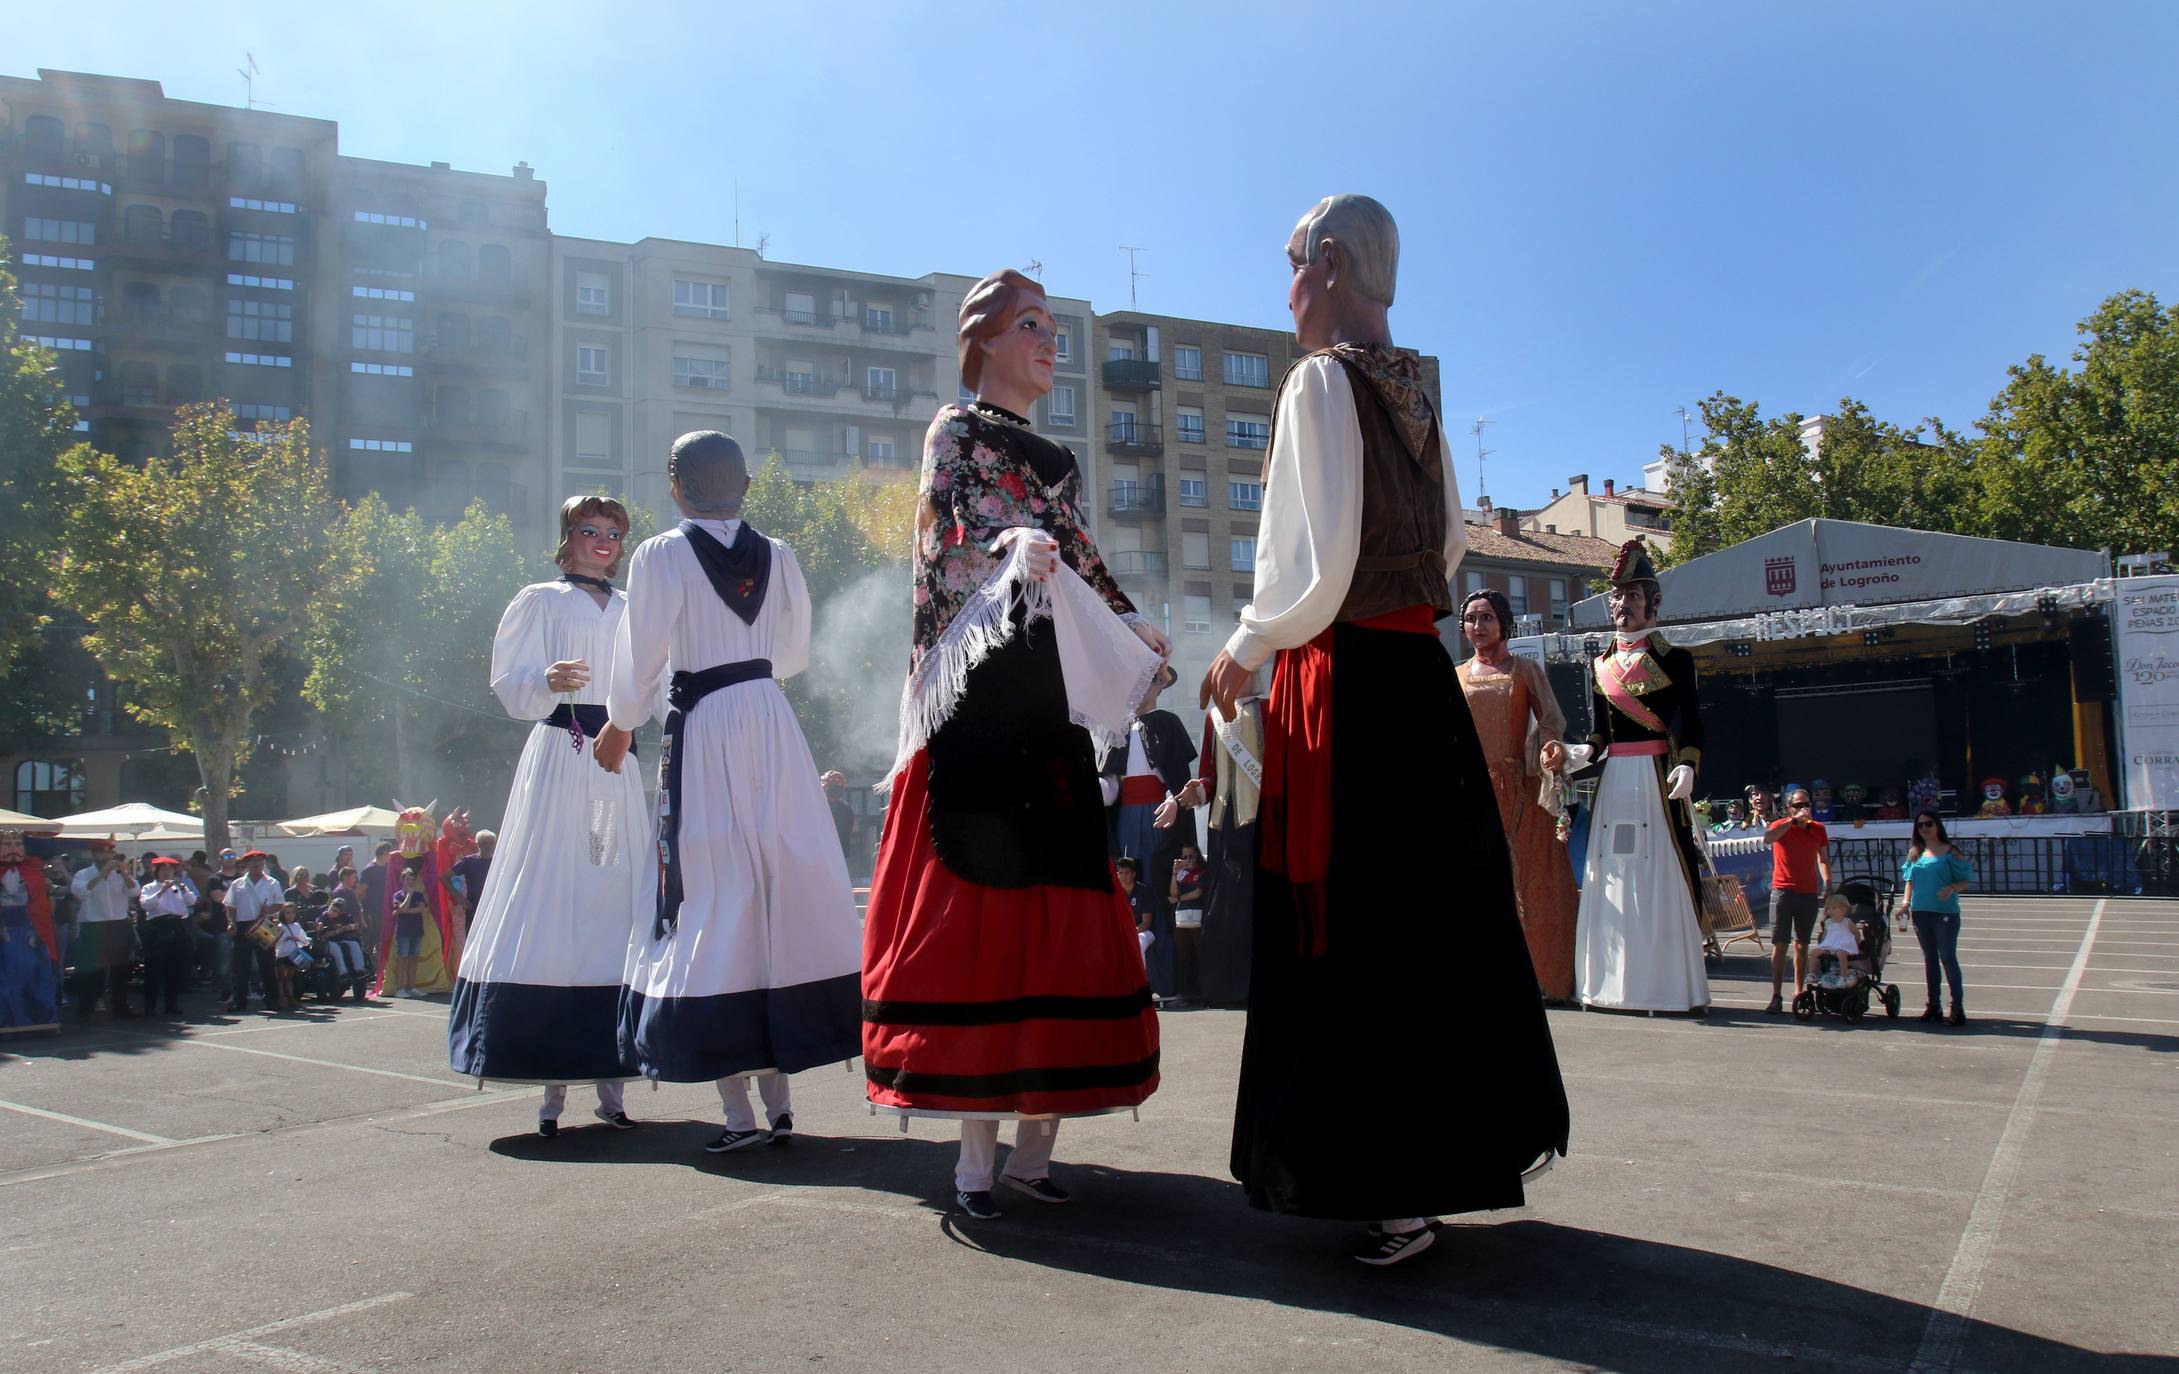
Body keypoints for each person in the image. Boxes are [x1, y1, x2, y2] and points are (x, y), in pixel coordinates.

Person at [1198, 196, 1567, 1265]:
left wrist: (1249, 642)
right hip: (1416, 679)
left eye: (1291, 269)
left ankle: (1380, 1181)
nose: (1284, 294)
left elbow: (1304, 565)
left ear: (1329, 262)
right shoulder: (1421, 391)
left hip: (1347, 681)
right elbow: (1449, 547)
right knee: (1432, 927)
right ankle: (1430, 1173)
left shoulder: (1319, 381)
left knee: (1347, 927)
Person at [862, 268, 1166, 1220]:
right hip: (983, 706)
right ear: (984, 340)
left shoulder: (1056, 458)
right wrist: (1003, 551)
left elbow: (1079, 557)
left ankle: (1035, 1153)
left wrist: (1134, 627)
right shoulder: (954, 432)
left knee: (1065, 896)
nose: (1049, 343)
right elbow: (945, 541)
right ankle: (972, 1162)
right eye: (1030, 326)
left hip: (1049, 703)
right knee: (981, 900)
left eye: (1051, 329)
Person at [594, 431, 864, 1152]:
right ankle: (778, 1103)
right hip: (769, 720)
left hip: (705, 727)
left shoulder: (660, 554)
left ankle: (741, 1114)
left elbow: (642, 653)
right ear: (744, 487)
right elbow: (795, 654)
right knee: (777, 885)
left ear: (674, 486)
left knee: (711, 890)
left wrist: (620, 724)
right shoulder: (781, 555)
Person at [451, 495, 649, 1139]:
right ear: (566, 538)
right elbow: (509, 684)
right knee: (553, 891)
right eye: (591, 530)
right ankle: (550, 1092)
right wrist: (546, 676)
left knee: (610, 891)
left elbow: (659, 683)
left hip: (614, 763)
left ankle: (614, 1084)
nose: (604, 541)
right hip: (562, 753)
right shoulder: (539, 598)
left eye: (614, 533)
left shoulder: (632, 608)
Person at [1565, 539, 1710, 1015]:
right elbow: (1600, 734)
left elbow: (1691, 720)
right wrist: (1581, 750)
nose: (1620, 605)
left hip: (1656, 776)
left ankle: (1664, 986)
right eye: (1616, 598)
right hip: (1616, 784)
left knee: (1659, 870)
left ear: (1652, 603)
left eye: (1630, 597)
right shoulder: (1600, 664)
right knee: (1611, 874)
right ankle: (1608, 986)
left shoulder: (1675, 659)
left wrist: (1687, 762)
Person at [1456, 587, 1580, 1004]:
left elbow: (1551, 719)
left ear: (1503, 623)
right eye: (1471, 618)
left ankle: (1541, 977)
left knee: (1530, 881)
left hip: (1518, 789)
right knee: (1475, 882)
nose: (1478, 625)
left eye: (1486, 617)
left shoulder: (1525, 670)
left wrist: (1551, 745)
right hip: (1471, 791)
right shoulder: (1456, 676)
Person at [1098, 665, 1203, 1001]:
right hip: (1128, 820)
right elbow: (1111, 788)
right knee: (1130, 891)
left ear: (1159, 685)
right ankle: (1129, 979)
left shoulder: (1168, 724)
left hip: (1159, 820)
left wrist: (1174, 800)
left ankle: (1167, 982)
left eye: (1144, 681)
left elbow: (1177, 779)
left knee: (1159, 891)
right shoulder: (1119, 728)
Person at [1193, 693, 1263, 1009]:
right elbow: (1209, 775)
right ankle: (1222, 987)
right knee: (1222, 907)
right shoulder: (1213, 718)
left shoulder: (1268, 711)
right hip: (1222, 825)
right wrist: (1197, 790)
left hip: (1257, 822)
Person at [1895, 811, 1974, 1025]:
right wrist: (1905, 904)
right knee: (1930, 959)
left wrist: (1951, 887)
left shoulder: (1950, 852)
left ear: (1937, 825)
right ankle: (1933, 1006)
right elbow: (1909, 881)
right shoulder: (1915, 853)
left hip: (1945, 913)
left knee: (1947, 958)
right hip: (1921, 913)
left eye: (1928, 824)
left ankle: (1957, 1008)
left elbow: (1966, 880)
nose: (1924, 829)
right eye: (1920, 826)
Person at [1764, 786, 1832, 1014]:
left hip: (1807, 892)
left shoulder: (1818, 829)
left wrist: (1829, 885)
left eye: (1806, 804)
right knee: (1780, 944)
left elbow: (1822, 859)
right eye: (1798, 805)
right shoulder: (1780, 826)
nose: (1804, 809)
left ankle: (1799, 990)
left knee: (1802, 944)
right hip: (1783, 891)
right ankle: (1776, 994)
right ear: (1789, 808)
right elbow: (1768, 839)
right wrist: (1792, 821)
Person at [0, 829, 61, 1035]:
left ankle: (39, 1020)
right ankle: (8, 1020)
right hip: (4, 932)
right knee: (7, 979)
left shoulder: (33, 872)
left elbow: (42, 908)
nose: (13, 850)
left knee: (34, 974)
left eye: (17, 845)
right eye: (7, 845)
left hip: (28, 932)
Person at [70, 851, 137, 1020]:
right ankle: (86, 1009)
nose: (107, 857)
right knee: (91, 971)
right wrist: (101, 875)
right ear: (94, 855)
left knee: (120, 969)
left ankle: (120, 1007)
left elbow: (135, 891)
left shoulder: (120, 874)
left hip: (118, 924)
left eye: (109, 854)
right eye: (102, 853)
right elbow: (80, 892)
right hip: (94, 925)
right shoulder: (83, 874)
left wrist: (124, 873)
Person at [223, 851, 285, 1013]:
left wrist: (268, 909)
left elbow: (279, 904)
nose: (257, 864)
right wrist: (231, 924)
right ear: (247, 864)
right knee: (240, 966)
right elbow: (230, 906)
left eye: (260, 861)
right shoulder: (238, 884)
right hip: (243, 924)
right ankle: (239, 1001)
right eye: (253, 861)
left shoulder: (272, 882)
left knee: (267, 964)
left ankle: (272, 1000)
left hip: (265, 923)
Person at [137, 855, 197, 1016]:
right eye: (163, 870)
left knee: (174, 968)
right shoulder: (150, 887)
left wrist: (183, 888)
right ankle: (150, 1006)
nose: (167, 873)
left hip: (177, 925)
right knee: (153, 969)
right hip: (158, 926)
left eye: (169, 870)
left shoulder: (178, 887)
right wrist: (162, 890)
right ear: (156, 871)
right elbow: (146, 905)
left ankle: (172, 1004)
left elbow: (192, 901)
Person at [1167, 843, 1207, 1006]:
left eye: (1191, 856)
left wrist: (1179, 899)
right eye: (1185, 857)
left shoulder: (1202, 872)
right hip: (1181, 920)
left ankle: (1206, 992)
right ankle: (1184, 993)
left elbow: (1198, 892)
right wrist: (1174, 873)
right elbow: (1173, 893)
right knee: (1183, 957)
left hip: (1198, 918)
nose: (1188, 860)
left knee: (1201, 955)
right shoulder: (1182, 874)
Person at [389, 864, 432, 998]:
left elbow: (421, 909)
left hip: (417, 930)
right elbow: (400, 908)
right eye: (408, 879)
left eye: (412, 879)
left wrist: (404, 910)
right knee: (402, 959)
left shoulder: (419, 895)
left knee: (413, 959)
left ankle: (411, 986)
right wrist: (408, 896)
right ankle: (399, 988)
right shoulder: (397, 895)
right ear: (402, 880)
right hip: (403, 932)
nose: (410, 882)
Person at [319, 894, 370, 999]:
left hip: (342, 940)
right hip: (328, 942)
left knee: (354, 944)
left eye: (336, 911)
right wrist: (340, 930)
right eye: (331, 909)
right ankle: (343, 972)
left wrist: (353, 926)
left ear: (341, 912)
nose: (332, 912)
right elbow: (322, 935)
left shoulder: (345, 917)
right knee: (336, 948)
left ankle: (359, 970)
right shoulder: (324, 916)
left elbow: (354, 926)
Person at [447, 831, 495, 928]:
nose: (488, 846)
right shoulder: (469, 861)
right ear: (478, 844)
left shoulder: (497, 861)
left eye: (491, 843)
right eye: (485, 843)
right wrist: (460, 898)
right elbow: (445, 877)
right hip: (474, 906)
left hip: (492, 905)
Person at [1811, 892, 1859, 987]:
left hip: (1843, 945)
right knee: (1814, 952)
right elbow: (1825, 935)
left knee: (1841, 954)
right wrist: (1822, 944)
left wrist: (1857, 942)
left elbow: (1856, 933)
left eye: (1833, 908)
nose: (1830, 911)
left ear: (1843, 909)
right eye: (1828, 908)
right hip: (1830, 945)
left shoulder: (1847, 922)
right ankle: (1812, 974)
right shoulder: (1828, 922)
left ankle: (1843, 977)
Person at [357, 842, 392, 951]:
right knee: (372, 937)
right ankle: (367, 960)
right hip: (372, 910)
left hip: (385, 908)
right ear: (384, 853)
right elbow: (360, 892)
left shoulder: (388, 867)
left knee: (382, 937)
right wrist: (362, 911)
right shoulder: (369, 870)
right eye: (390, 853)